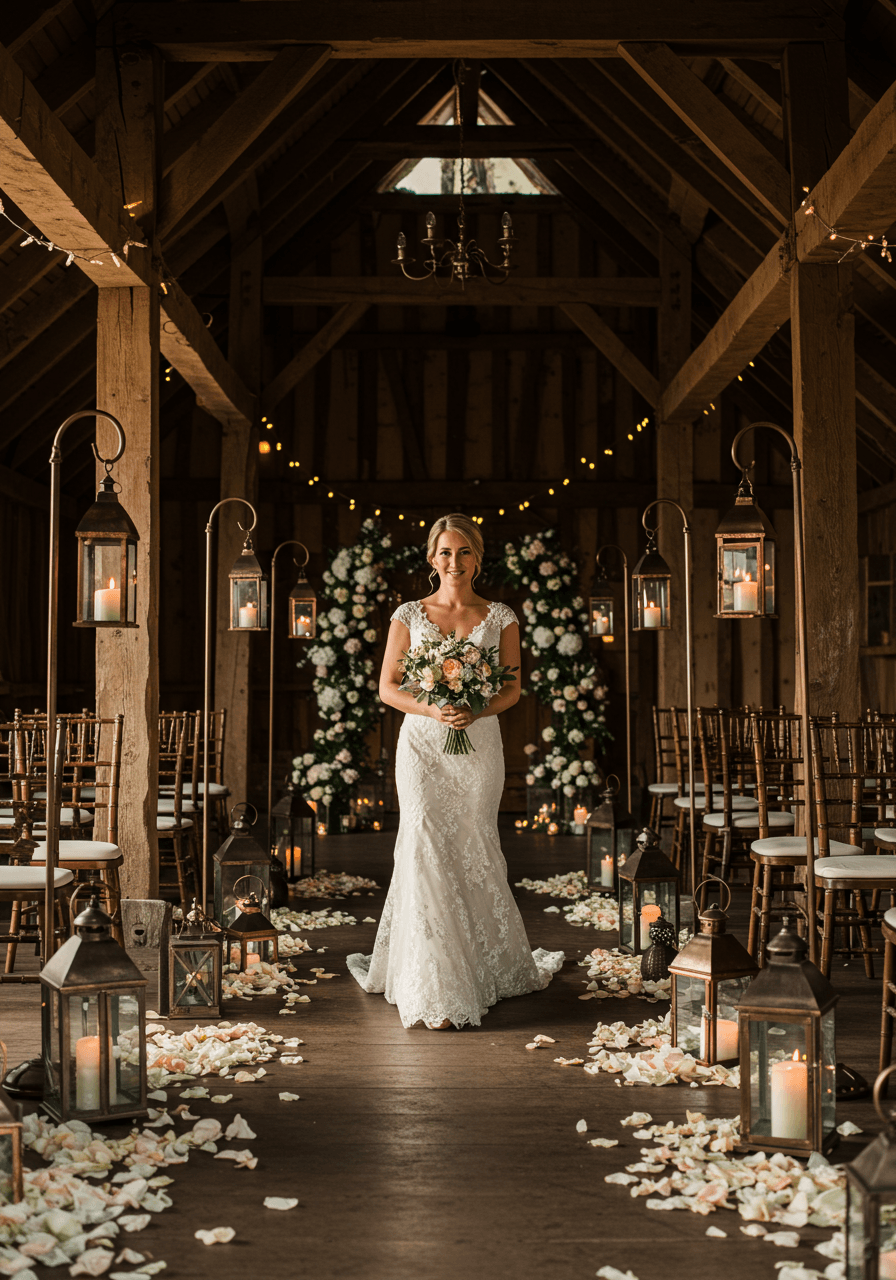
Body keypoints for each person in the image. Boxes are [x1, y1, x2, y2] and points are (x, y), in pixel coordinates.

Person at [346, 513, 564, 1029]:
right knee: (422, 839)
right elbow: (388, 687)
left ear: (477, 558)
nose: (454, 562)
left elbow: (511, 689)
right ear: (431, 559)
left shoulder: (501, 616)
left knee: (473, 842)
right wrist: (431, 709)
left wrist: (476, 709)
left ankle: (482, 966)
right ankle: (433, 982)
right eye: (445, 552)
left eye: (464, 552)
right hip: (421, 746)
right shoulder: (409, 614)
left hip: (477, 746)